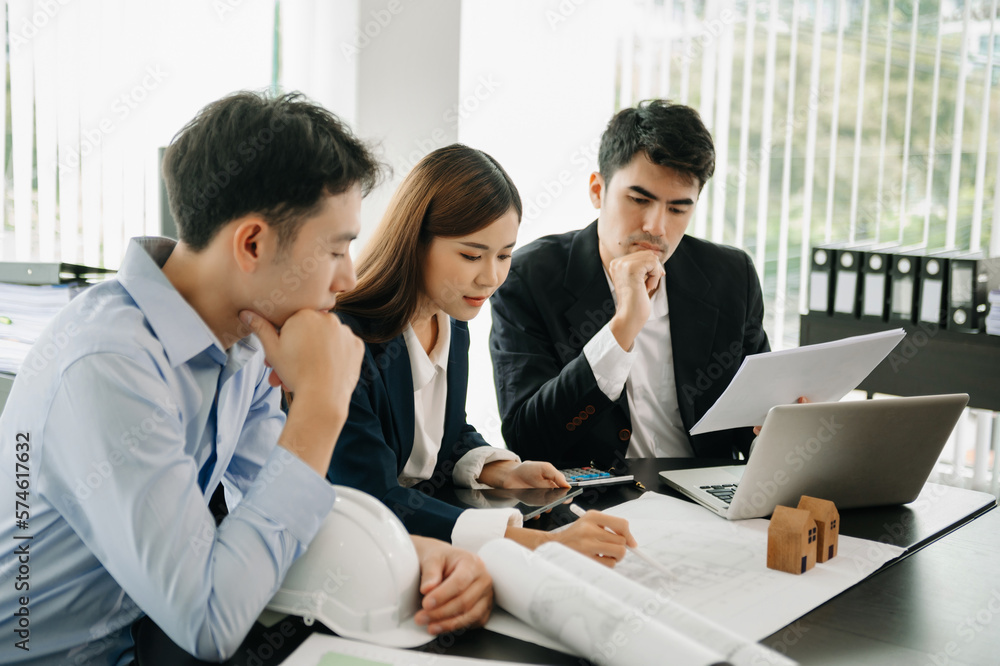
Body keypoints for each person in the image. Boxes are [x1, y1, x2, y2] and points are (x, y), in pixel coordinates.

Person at [0, 92, 491, 665]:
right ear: (252, 244)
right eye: (337, 250)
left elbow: (283, 505)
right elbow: (209, 620)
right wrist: (320, 406)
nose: (349, 278)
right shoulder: (109, 365)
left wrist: (407, 553)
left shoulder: (245, 341)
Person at [329, 144, 635, 565]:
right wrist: (543, 545)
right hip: (359, 554)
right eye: (471, 255)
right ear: (415, 242)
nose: (491, 277)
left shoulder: (452, 318)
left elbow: (441, 433)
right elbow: (373, 497)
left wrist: (500, 470)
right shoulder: (345, 338)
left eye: (505, 255)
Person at [489, 100, 770, 469]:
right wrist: (621, 330)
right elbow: (530, 438)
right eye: (639, 199)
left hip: (708, 501)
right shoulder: (529, 277)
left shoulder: (732, 276)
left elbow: (750, 421)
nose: (656, 226)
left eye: (678, 209)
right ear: (597, 190)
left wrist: (770, 428)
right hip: (593, 502)